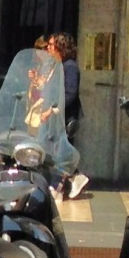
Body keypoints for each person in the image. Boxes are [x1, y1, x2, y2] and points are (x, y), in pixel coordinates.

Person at [47, 32, 88, 199]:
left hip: (65, 119)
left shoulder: (70, 66)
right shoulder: (60, 66)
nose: (48, 48)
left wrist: (52, 109)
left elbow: (69, 94)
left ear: (60, 47)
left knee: (58, 153)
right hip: (57, 119)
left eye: (51, 45)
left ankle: (61, 185)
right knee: (57, 152)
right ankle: (74, 178)